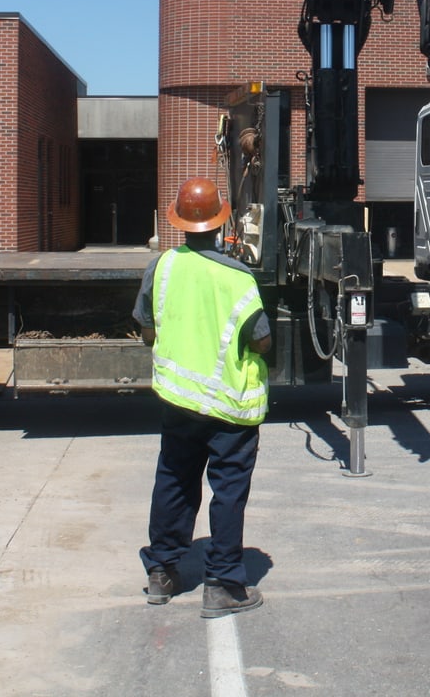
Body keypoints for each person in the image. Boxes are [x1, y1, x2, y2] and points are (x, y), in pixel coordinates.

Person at [133, 176, 273, 618]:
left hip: (179, 401)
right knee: (228, 490)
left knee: (174, 479)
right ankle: (224, 583)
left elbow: (147, 329)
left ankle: (162, 572)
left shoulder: (162, 267)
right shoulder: (238, 276)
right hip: (230, 406)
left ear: (179, 222)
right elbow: (262, 339)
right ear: (220, 223)